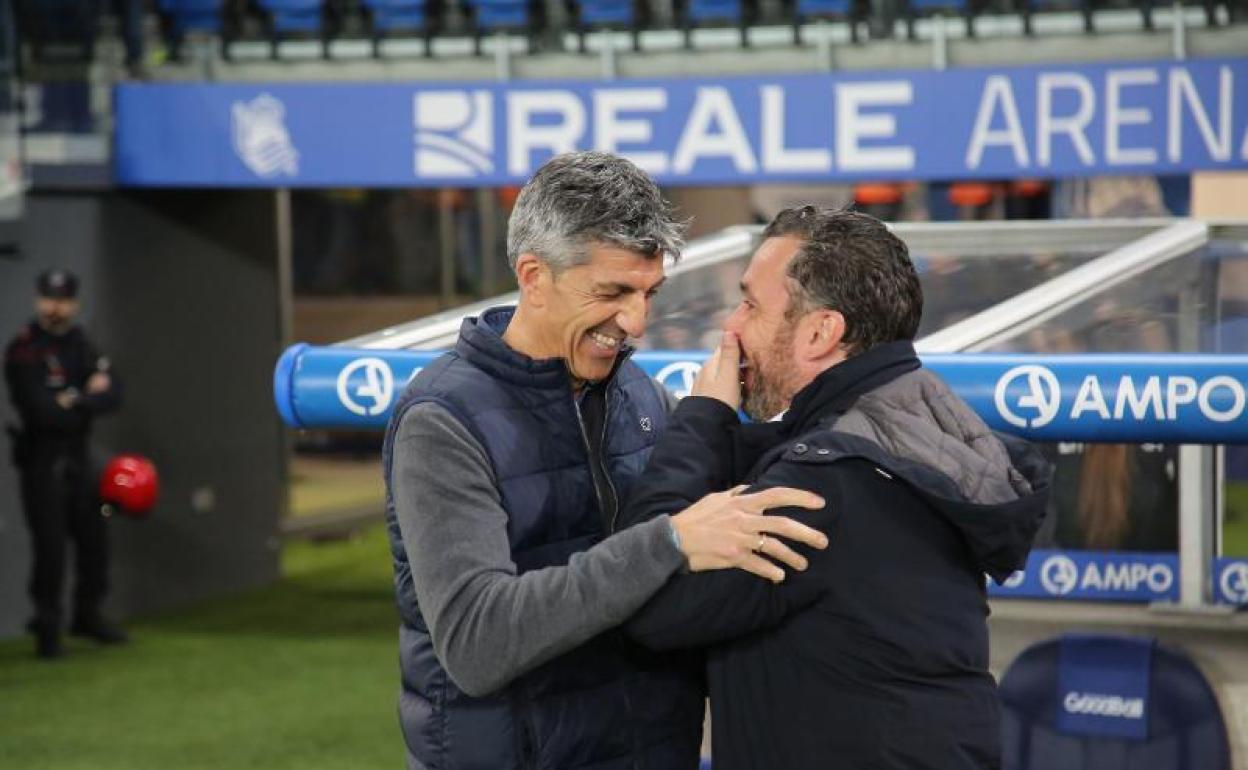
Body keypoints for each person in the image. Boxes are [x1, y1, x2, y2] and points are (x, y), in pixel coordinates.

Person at [381, 152, 829, 770]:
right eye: (612, 292)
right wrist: (669, 543)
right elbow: (476, 642)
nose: (636, 321)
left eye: (650, 292)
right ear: (533, 276)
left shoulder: (642, 397)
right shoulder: (442, 422)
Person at [619, 207, 1053, 769]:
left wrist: (702, 417)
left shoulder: (821, 488)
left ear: (821, 332)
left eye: (750, 304)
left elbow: (644, 595)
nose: (730, 328)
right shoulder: (913, 422)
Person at [4, 268, 126, 659]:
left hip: (79, 458)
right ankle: (48, 628)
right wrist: (84, 397)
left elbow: (114, 394)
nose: (56, 307)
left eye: (63, 300)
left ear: (74, 303)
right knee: (51, 550)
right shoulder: (24, 350)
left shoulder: (81, 345)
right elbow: (40, 414)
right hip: (42, 462)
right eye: (50, 299)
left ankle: (87, 615)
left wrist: (71, 401)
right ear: (39, 300)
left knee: (95, 540)